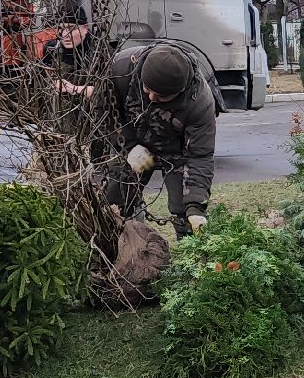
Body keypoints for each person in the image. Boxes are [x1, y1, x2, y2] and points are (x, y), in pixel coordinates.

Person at [61, 40, 216, 237]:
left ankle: (192, 257)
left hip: (175, 151)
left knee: (186, 214)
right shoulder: (122, 67)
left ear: (179, 92)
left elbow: (200, 155)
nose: (151, 98)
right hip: (131, 139)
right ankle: (117, 251)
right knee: (114, 205)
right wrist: (129, 147)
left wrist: (195, 205)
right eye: (147, 89)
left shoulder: (200, 102)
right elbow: (105, 112)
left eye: (160, 96)